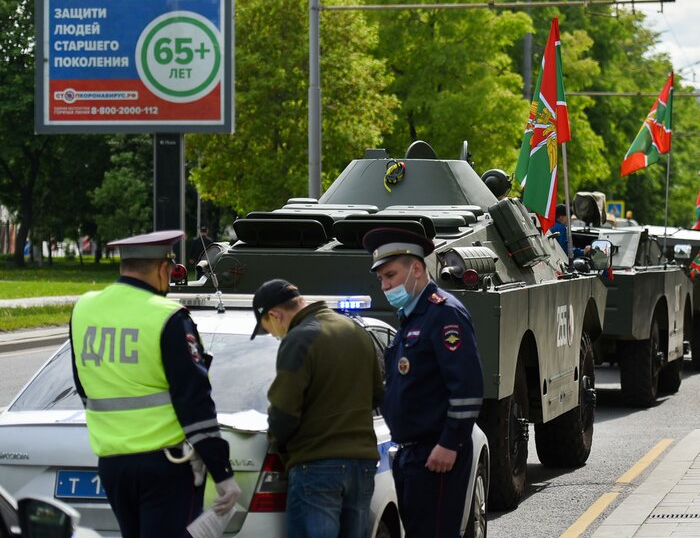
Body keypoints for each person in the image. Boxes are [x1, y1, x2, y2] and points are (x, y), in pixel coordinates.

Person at [69, 230, 240, 538]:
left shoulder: (84, 308)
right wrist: (221, 471)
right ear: (164, 269)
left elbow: (83, 385)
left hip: (112, 465)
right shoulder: (169, 316)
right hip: (167, 467)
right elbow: (194, 400)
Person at [362, 227, 484, 537]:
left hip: (437, 453)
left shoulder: (444, 314)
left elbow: (467, 388)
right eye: (381, 279)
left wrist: (449, 443)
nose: (385, 285)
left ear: (416, 268)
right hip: (412, 454)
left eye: (390, 275)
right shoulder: (412, 317)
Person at [250, 279, 384, 537]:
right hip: (362, 465)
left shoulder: (299, 338)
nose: (277, 335)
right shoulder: (354, 329)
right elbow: (377, 394)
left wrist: (279, 446)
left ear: (275, 315)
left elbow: (283, 413)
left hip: (317, 467)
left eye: (270, 330)